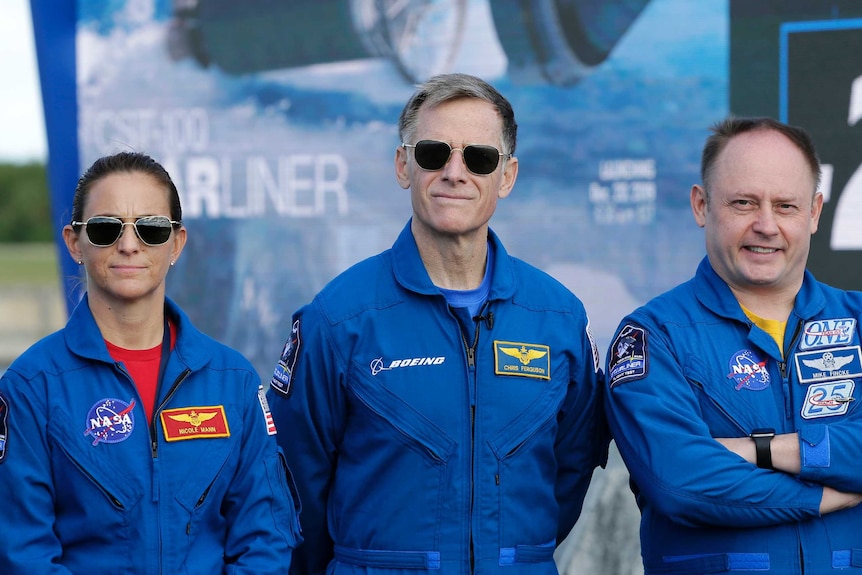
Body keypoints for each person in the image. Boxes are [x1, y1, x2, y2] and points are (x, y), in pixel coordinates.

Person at [268, 73, 608, 575]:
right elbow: (294, 481)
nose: (454, 172)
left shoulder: (558, 319)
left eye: (479, 158)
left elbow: (572, 465)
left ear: (507, 176)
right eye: (433, 153)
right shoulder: (338, 319)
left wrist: (507, 557)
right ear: (404, 165)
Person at [0, 151, 301, 574]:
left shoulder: (232, 381)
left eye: (151, 228)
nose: (128, 244)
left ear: (176, 243)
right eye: (106, 229)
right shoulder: (31, 385)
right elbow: (23, 553)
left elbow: (264, 536)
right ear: (74, 243)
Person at [604, 116, 862, 575]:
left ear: (815, 213)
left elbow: (709, 467)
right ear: (701, 205)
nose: (766, 225)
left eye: (786, 206)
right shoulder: (652, 336)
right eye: (744, 203)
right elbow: (681, 481)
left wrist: (760, 450)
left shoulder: (858, 321)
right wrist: (822, 497)